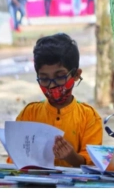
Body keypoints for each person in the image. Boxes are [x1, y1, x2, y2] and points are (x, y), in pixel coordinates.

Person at [7, 33, 103, 167]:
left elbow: (93, 166)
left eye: (60, 76)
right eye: (44, 79)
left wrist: (72, 157)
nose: (52, 85)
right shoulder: (29, 114)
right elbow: (14, 160)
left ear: (76, 75)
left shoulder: (89, 118)